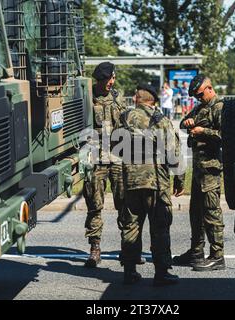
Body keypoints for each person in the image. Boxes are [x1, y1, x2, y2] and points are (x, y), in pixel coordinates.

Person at [120, 84, 185, 286]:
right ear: (153, 101)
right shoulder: (161, 120)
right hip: (156, 181)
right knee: (159, 228)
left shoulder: (125, 118)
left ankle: (129, 271)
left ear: (136, 99)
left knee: (130, 226)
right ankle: (162, 272)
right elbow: (174, 153)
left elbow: (114, 146)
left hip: (131, 180)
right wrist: (180, 179)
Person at [83, 62, 133, 268]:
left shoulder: (118, 97)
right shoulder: (88, 97)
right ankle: (95, 249)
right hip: (95, 158)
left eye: (111, 79)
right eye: (106, 80)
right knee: (94, 205)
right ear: (99, 80)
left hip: (117, 159)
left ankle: (128, 248)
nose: (110, 83)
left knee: (125, 204)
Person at [173, 75, 225, 272]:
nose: (198, 98)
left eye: (200, 94)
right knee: (195, 213)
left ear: (209, 88)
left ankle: (217, 256)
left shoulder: (219, 107)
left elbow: (224, 136)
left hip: (210, 169)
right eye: (195, 96)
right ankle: (196, 252)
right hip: (198, 170)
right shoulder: (201, 107)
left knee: (212, 213)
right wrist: (188, 122)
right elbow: (182, 123)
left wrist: (203, 131)